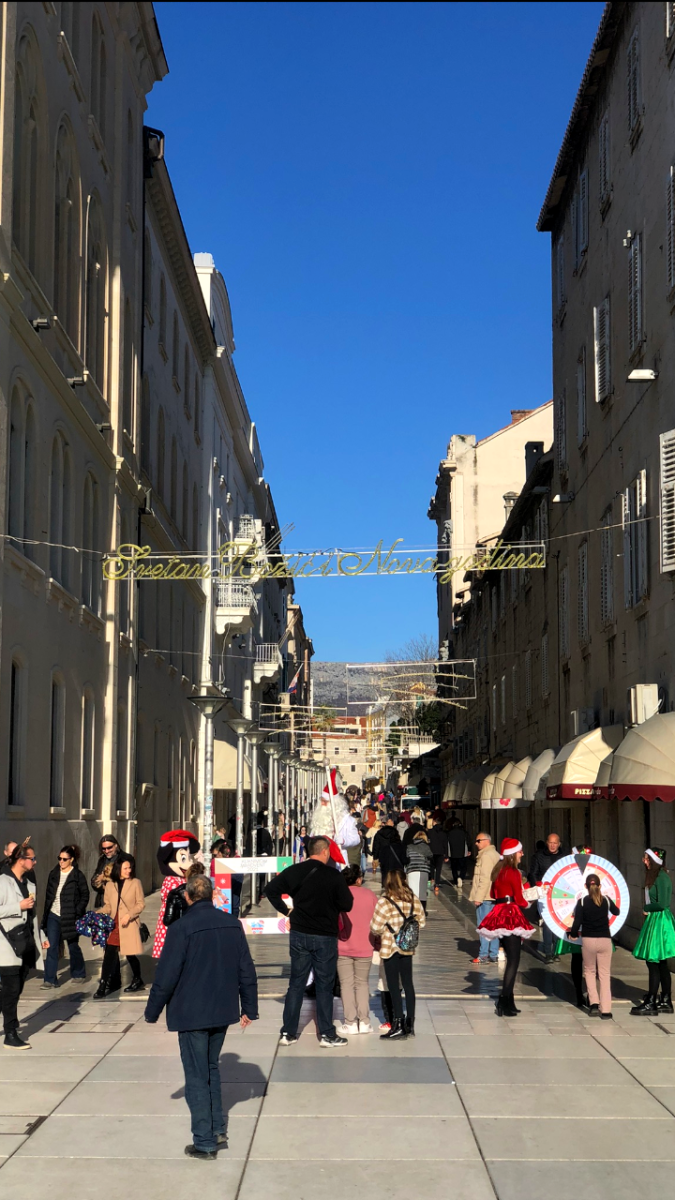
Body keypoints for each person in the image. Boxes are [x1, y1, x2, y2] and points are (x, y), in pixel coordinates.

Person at [145, 873, 258, 1160]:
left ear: (187, 897)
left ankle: (205, 1141)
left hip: (191, 1012)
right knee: (211, 1068)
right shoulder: (232, 924)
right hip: (221, 1010)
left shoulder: (181, 928)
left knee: (197, 1075)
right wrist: (249, 1008)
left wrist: (152, 1011)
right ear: (211, 895)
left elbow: (166, 975)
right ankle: (217, 1129)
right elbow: (246, 968)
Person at [264, 835, 353, 1047]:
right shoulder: (333, 875)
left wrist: (287, 910)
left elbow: (270, 890)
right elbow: (347, 904)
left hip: (299, 933)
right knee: (324, 985)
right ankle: (327, 1034)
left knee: (296, 983)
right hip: (325, 936)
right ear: (325, 852)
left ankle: (288, 1032)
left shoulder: (294, 871)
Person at [477, 837, 538, 1017]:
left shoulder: (498, 870)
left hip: (499, 912)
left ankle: (509, 1000)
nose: (522, 854)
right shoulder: (513, 872)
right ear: (513, 854)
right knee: (513, 960)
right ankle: (504, 1001)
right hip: (511, 914)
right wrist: (531, 900)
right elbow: (519, 899)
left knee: (512, 958)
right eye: (520, 851)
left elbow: (494, 893)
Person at [370, 867, 426, 1039]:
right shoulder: (413, 899)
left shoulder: (384, 901)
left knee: (393, 986)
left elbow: (375, 927)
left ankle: (398, 1023)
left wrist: (388, 929)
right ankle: (410, 1023)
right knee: (408, 984)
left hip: (390, 947)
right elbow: (422, 922)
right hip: (407, 947)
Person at [0, 841, 43, 1048]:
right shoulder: (3, 882)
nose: (35, 862)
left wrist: (41, 936)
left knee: (15, 989)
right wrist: (18, 906)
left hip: (25, 943)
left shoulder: (28, 883)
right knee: (11, 988)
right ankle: (10, 1033)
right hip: (6, 944)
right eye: (32, 858)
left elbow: (32, 915)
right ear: (20, 859)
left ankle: (9, 1024)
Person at [568, 873, 620, 1020]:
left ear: (585, 886)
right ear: (600, 886)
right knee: (604, 974)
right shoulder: (606, 900)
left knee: (590, 972)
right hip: (605, 940)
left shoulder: (582, 902)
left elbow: (577, 922)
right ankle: (606, 1010)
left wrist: (573, 934)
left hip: (588, 940)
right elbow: (617, 912)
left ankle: (594, 1005)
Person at [631, 847, 675, 1016]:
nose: (644, 861)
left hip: (659, 920)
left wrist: (647, 908)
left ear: (653, 860)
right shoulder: (656, 876)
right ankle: (665, 1000)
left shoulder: (662, 878)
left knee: (653, 962)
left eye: (646, 858)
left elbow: (663, 903)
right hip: (656, 919)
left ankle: (651, 1002)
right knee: (661, 963)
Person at [95, 854, 146, 997]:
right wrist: (97, 914)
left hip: (128, 923)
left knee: (130, 955)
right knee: (109, 955)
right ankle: (103, 984)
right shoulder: (110, 885)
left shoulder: (135, 883)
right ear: (118, 869)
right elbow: (108, 906)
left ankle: (137, 978)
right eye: (125, 868)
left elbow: (140, 904)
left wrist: (129, 915)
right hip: (114, 924)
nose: (129, 870)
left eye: (130, 868)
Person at [335, 864, 378, 1035]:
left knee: (346, 984)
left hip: (342, 946)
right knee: (362, 983)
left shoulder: (339, 895)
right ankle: (365, 1022)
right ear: (359, 879)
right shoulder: (370, 895)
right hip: (365, 946)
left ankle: (350, 1022)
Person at [40, 844, 89, 988]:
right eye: (59, 858)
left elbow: (85, 895)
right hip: (53, 915)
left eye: (64, 859)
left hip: (71, 916)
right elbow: (49, 896)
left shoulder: (77, 876)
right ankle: (50, 980)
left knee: (73, 945)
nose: (61, 861)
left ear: (71, 860)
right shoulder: (53, 874)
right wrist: (46, 915)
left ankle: (79, 973)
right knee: (52, 947)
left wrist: (77, 911)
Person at [528, 833, 566, 962]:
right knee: (548, 923)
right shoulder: (538, 856)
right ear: (546, 843)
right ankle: (548, 952)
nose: (553, 845)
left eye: (555, 843)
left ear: (559, 844)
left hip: (560, 895)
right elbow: (533, 874)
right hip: (544, 895)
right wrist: (538, 886)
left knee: (559, 923)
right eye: (550, 842)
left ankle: (556, 952)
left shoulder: (564, 857)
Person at [468, 832, 501, 965]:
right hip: (493, 896)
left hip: (486, 897)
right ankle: (493, 953)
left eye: (478, 841)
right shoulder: (495, 854)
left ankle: (483, 955)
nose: (476, 843)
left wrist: (479, 897)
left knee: (484, 926)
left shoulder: (486, 856)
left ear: (487, 841)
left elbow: (485, 879)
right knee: (493, 926)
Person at [406, 829, 433, 913]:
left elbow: (407, 857)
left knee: (412, 891)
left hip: (411, 870)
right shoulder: (426, 847)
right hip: (423, 870)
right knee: (422, 892)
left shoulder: (409, 846)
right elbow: (430, 856)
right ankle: (422, 911)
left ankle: (412, 910)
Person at [91, 835, 121, 907]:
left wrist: (105, 878)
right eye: (104, 849)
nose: (107, 851)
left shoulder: (123, 860)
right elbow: (94, 880)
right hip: (103, 901)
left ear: (116, 845)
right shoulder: (102, 860)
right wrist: (98, 881)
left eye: (109, 848)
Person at [447, 818, 469, 888]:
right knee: (464, 867)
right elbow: (468, 842)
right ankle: (461, 877)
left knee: (454, 867)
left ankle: (455, 879)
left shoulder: (450, 833)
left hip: (452, 853)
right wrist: (469, 850)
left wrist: (447, 853)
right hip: (462, 853)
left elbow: (447, 843)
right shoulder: (464, 832)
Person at [429, 818, 449, 894]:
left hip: (431, 852)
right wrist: (446, 855)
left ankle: (432, 880)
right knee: (438, 868)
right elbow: (445, 845)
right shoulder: (443, 833)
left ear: (434, 822)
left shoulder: (430, 832)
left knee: (431, 867)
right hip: (440, 853)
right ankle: (437, 884)